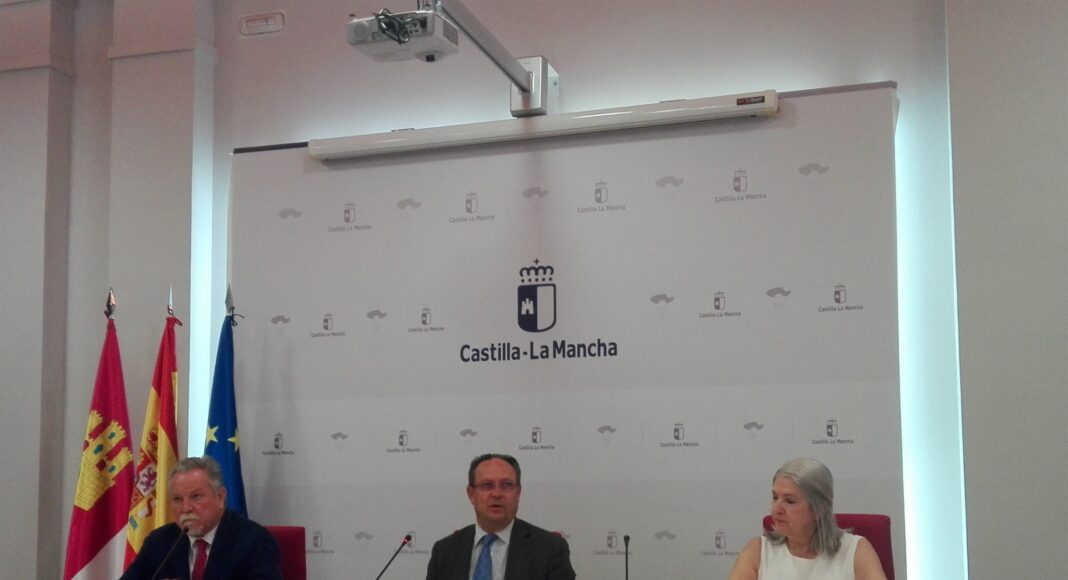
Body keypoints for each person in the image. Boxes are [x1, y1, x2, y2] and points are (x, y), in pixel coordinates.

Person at [120, 456, 282, 580]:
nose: (186, 508)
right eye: (177, 499)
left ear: (220, 497)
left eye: (196, 496)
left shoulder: (254, 541)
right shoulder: (160, 542)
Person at [727, 457, 887, 580]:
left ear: (819, 508)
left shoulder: (856, 550)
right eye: (775, 497)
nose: (776, 509)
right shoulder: (757, 551)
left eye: (790, 501)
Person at [426, 453, 576, 580]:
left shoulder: (550, 549)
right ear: (471, 494)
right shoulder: (444, 551)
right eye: (487, 485)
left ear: (518, 493)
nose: (497, 494)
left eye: (506, 485)